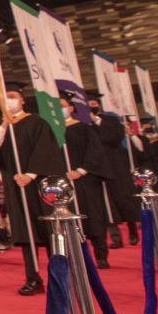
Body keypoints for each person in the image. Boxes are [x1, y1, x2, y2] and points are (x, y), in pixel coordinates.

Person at [0, 86, 59, 296]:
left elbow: (45, 151)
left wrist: (31, 174)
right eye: (5, 98)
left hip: (37, 183)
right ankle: (33, 278)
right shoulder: (1, 126)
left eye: (13, 97)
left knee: (48, 230)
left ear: (23, 100)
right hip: (14, 184)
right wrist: (5, 124)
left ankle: (58, 277)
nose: (10, 101)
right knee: (26, 233)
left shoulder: (37, 123)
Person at [60, 93, 112, 267]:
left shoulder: (83, 128)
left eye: (62, 105)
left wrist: (81, 171)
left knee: (93, 217)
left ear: (71, 108)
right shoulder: (53, 132)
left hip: (86, 179)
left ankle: (100, 254)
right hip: (64, 181)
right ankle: (75, 255)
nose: (60, 109)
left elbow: (95, 151)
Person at [90, 94, 140, 246]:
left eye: (93, 103)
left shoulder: (110, 121)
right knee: (106, 203)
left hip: (115, 166)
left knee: (123, 199)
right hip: (98, 167)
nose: (90, 106)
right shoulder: (85, 125)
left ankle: (132, 229)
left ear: (99, 105)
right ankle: (115, 237)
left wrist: (97, 121)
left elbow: (113, 137)